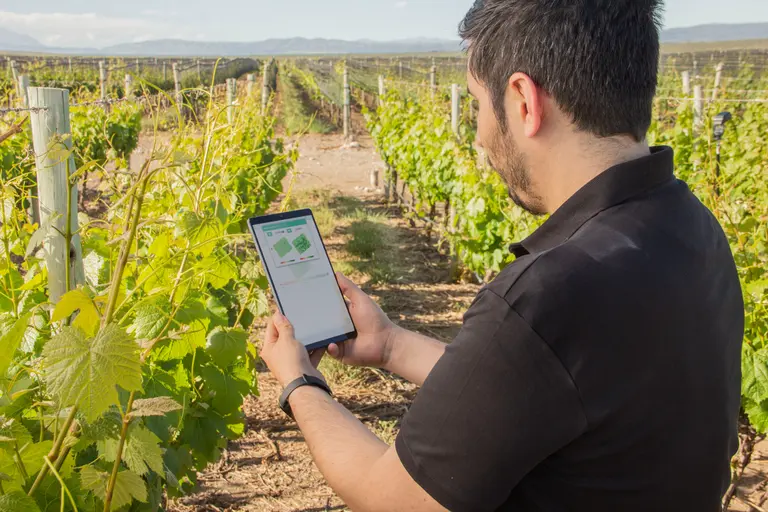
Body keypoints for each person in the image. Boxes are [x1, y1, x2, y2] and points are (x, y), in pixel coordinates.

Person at [260, 0, 745, 510]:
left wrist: (300, 383)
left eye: (476, 103)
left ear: (522, 101)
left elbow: (392, 499)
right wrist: (390, 346)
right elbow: (535, 390)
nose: (478, 133)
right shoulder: (693, 227)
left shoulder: (550, 292)